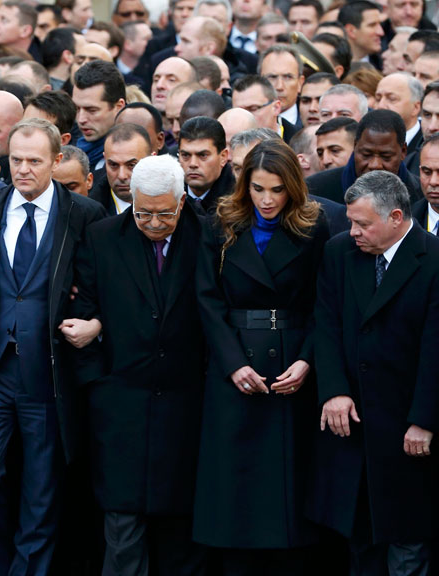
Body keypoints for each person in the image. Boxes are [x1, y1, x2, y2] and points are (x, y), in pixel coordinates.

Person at [0, 118, 106, 576]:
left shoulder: (83, 214)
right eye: (15, 160)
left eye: (34, 161)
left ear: (57, 161)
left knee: (42, 486)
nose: (23, 169)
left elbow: (97, 284)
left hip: (49, 370)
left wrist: (92, 319)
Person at [193, 138, 330, 574]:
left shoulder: (313, 226)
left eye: (276, 189)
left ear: (292, 186)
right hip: (235, 363)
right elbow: (207, 300)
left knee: (285, 484)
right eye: (257, 188)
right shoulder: (220, 224)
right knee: (236, 482)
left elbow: (322, 304)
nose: (267, 200)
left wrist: (307, 360)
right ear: (243, 185)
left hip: (290, 363)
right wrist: (233, 363)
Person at [70, 153, 209, 576]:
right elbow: (83, 308)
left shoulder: (209, 235)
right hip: (120, 405)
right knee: (122, 528)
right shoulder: (102, 237)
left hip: (187, 404)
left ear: (182, 202)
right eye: (142, 212)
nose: (152, 222)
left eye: (164, 213)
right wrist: (99, 382)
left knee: (181, 531)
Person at [310, 169, 439, 576]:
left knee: (408, 543)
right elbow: (325, 324)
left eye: (363, 223)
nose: (353, 231)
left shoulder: (433, 259)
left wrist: (423, 420)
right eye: (350, 221)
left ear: (396, 218)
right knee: (359, 541)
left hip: (406, 427)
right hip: (354, 425)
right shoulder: (338, 252)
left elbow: (436, 349)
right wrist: (333, 391)